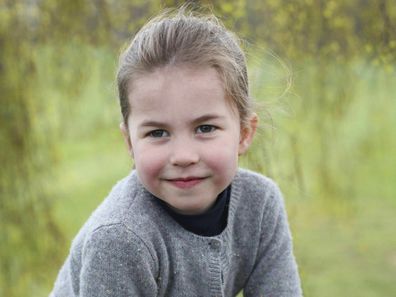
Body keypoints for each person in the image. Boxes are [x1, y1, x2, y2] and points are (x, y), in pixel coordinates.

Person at [50, 7, 302, 297]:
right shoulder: (119, 239)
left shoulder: (260, 206)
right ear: (130, 143)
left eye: (205, 128)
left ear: (245, 133)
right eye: (157, 133)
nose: (183, 156)